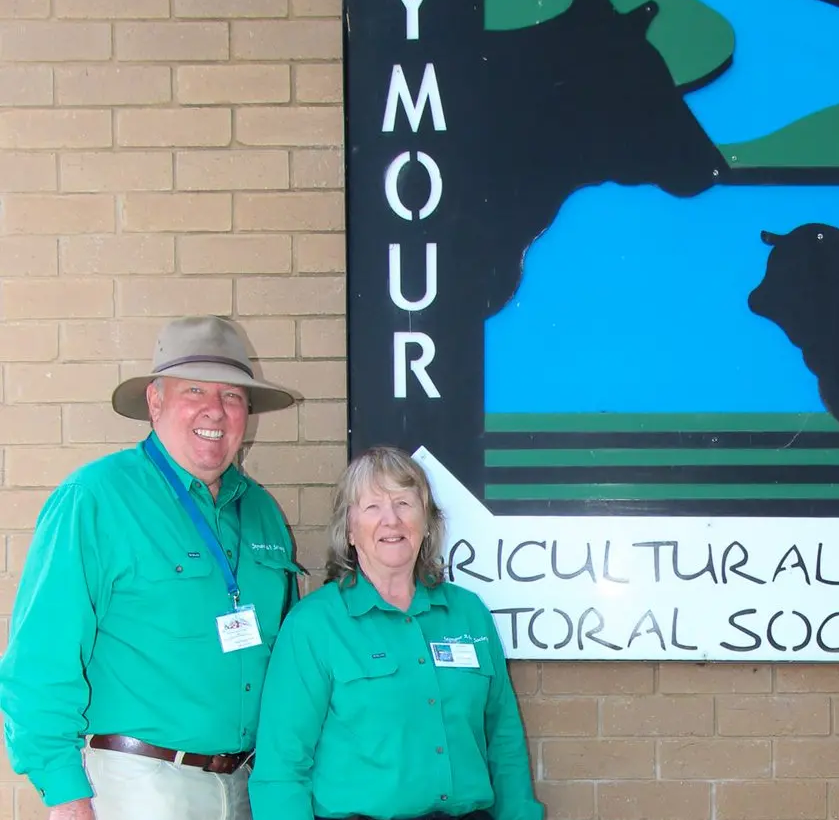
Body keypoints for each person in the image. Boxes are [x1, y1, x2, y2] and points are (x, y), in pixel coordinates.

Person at [0, 316, 304, 820]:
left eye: (232, 396)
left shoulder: (262, 512)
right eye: (195, 390)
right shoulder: (95, 500)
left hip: (247, 786)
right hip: (136, 786)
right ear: (156, 401)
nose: (215, 410)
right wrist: (63, 791)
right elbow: (40, 658)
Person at [248, 445, 543, 820]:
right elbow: (281, 767)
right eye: (372, 507)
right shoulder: (314, 625)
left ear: (427, 520)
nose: (391, 520)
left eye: (404, 503)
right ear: (350, 530)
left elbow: (504, 739)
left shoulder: (468, 614)